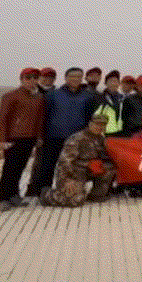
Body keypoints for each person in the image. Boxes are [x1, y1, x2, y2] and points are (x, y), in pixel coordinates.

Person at [26, 67, 95, 198]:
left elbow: (89, 118)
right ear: (66, 78)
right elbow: (43, 117)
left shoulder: (88, 97)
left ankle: (69, 192)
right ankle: (43, 193)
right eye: (72, 76)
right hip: (54, 137)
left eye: (78, 77)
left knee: (73, 166)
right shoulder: (52, 95)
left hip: (76, 139)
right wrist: (40, 136)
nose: (75, 79)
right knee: (48, 166)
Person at [39, 114, 116, 207]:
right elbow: (64, 161)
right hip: (72, 173)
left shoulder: (101, 139)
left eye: (102, 125)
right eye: (97, 124)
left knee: (109, 168)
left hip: (87, 171)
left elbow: (106, 158)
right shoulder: (77, 138)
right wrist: (68, 179)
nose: (99, 127)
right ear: (90, 124)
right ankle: (47, 195)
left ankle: (96, 195)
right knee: (76, 201)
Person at [0, 68, 45, 211]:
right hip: (13, 138)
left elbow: (39, 120)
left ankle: (14, 195)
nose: (31, 81)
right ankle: (3, 198)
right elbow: (2, 119)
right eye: (28, 78)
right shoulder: (10, 96)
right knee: (10, 168)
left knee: (20, 168)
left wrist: (39, 136)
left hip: (29, 138)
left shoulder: (38, 98)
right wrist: (0, 140)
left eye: (35, 78)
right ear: (22, 79)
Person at [92, 70, 134, 138]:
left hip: (121, 135)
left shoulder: (124, 99)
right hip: (102, 135)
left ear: (119, 84)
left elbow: (128, 118)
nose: (113, 84)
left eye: (116, 81)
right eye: (111, 81)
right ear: (105, 83)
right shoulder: (98, 98)